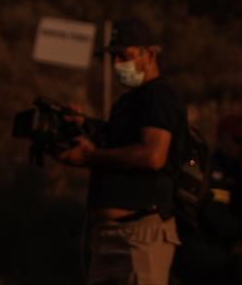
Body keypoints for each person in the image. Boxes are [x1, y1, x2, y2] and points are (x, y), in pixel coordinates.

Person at [55, 19, 183, 285]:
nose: (116, 65)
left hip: (140, 236)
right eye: (113, 57)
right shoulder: (126, 103)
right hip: (107, 238)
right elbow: (114, 143)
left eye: (123, 56)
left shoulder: (159, 95)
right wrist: (83, 127)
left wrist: (90, 157)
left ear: (149, 53)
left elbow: (153, 155)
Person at [172, 114, 242, 285]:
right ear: (223, 139)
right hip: (197, 250)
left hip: (216, 250)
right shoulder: (216, 171)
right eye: (239, 140)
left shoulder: (235, 173)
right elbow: (217, 218)